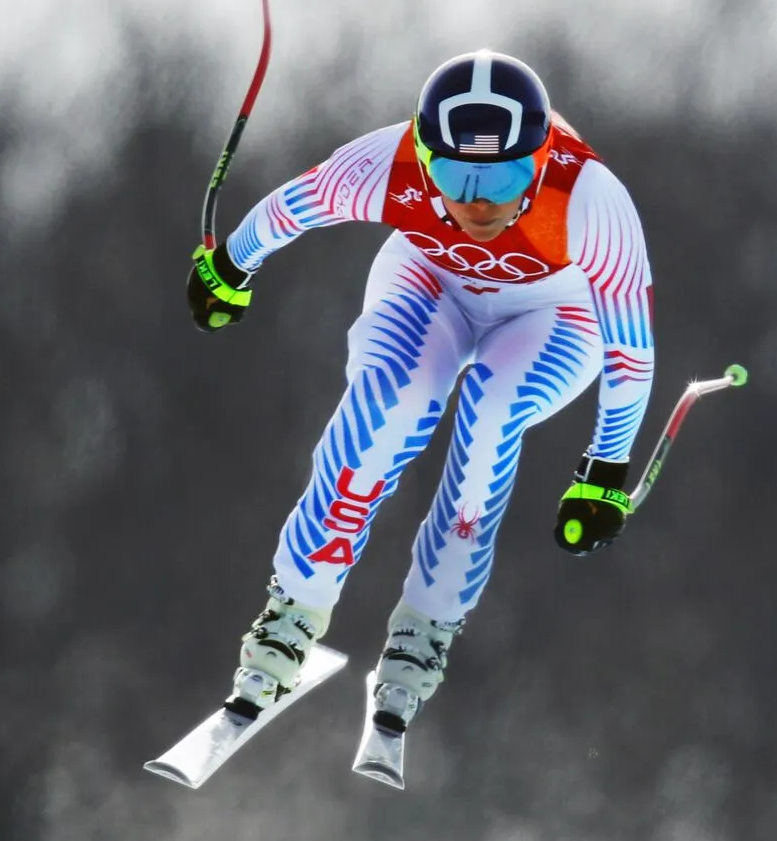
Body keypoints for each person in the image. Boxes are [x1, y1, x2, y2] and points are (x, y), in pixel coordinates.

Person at [185, 51, 654, 788]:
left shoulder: (589, 199)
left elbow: (632, 354)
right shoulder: (387, 163)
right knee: (392, 407)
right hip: (429, 282)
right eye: (456, 177)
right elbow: (289, 208)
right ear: (424, 152)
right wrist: (229, 270)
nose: (477, 203)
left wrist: (606, 470)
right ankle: (292, 615)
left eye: (500, 177)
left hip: (553, 313)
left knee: (493, 413)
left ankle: (424, 632)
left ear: (538, 158)